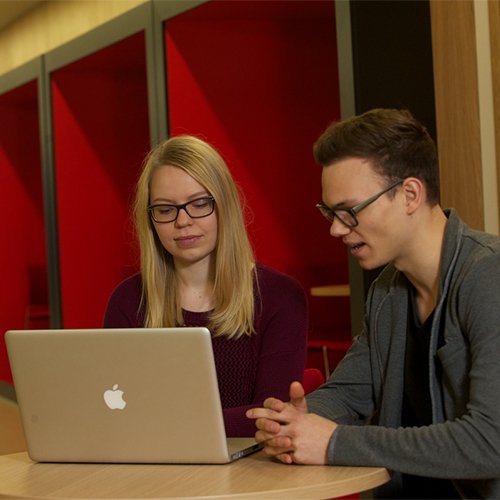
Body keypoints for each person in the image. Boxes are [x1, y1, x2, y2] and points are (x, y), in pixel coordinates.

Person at [246, 109, 500, 498]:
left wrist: (334, 443)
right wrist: (294, 421)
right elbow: (349, 392)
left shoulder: (488, 276)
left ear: (410, 194)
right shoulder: (387, 289)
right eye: (330, 212)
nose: (336, 228)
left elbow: (490, 442)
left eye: (350, 210)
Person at [104, 135, 308, 437]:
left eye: (199, 203)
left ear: (224, 205)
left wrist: (164, 424)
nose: (183, 221)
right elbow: (114, 412)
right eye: (164, 209)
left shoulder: (280, 297)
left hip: (252, 472)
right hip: (151, 470)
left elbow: (271, 417)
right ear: (150, 220)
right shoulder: (128, 300)